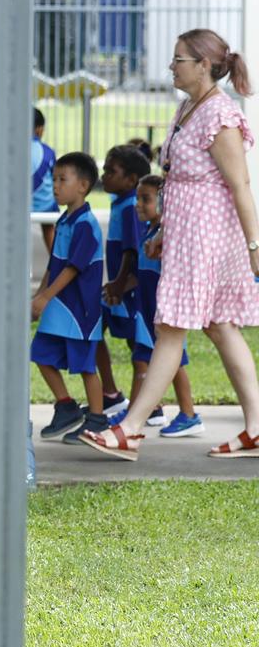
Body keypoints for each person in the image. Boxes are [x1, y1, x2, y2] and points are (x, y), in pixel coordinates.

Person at [83, 28, 259, 460]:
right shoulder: (189, 107)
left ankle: (131, 428)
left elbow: (239, 186)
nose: (171, 66)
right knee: (219, 325)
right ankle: (256, 428)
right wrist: (164, 232)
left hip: (208, 236)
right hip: (188, 233)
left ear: (203, 65)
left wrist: (255, 246)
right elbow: (181, 181)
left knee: (171, 328)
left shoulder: (219, 114)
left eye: (179, 59)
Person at [108, 173, 200, 437]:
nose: (137, 204)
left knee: (167, 363)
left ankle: (188, 414)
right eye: (137, 198)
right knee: (145, 360)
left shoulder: (169, 239)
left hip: (163, 314)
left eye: (145, 199)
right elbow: (142, 274)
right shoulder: (150, 233)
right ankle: (144, 411)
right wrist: (120, 287)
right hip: (146, 310)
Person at [31, 151, 107, 444]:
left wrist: (46, 296)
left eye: (62, 180)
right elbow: (55, 264)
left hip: (79, 312)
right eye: (54, 180)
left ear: (83, 186)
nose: (55, 186)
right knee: (40, 354)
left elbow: (74, 268)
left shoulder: (86, 224)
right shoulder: (64, 220)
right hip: (59, 306)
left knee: (86, 367)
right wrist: (39, 296)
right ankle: (66, 406)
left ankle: (97, 419)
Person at [93, 145, 153, 420]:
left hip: (128, 290)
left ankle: (124, 399)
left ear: (131, 179)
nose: (104, 176)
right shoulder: (121, 203)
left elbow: (132, 250)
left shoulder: (131, 207)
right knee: (131, 344)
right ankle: (114, 395)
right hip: (122, 287)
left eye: (111, 171)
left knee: (140, 347)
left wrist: (119, 283)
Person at [32, 107, 60, 252]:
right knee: (49, 228)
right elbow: (54, 176)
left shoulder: (10, 151)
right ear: (39, 129)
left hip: (16, 205)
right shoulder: (47, 151)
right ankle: (56, 262)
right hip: (45, 207)